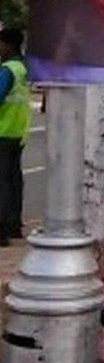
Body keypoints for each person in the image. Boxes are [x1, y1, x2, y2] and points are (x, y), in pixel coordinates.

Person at [0, 29, 30, 247]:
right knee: (13, 180)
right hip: (18, 131)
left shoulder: (7, 70)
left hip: (3, 130)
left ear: (8, 45)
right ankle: (13, 225)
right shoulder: (24, 68)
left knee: (2, 181)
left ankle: (1, 231)